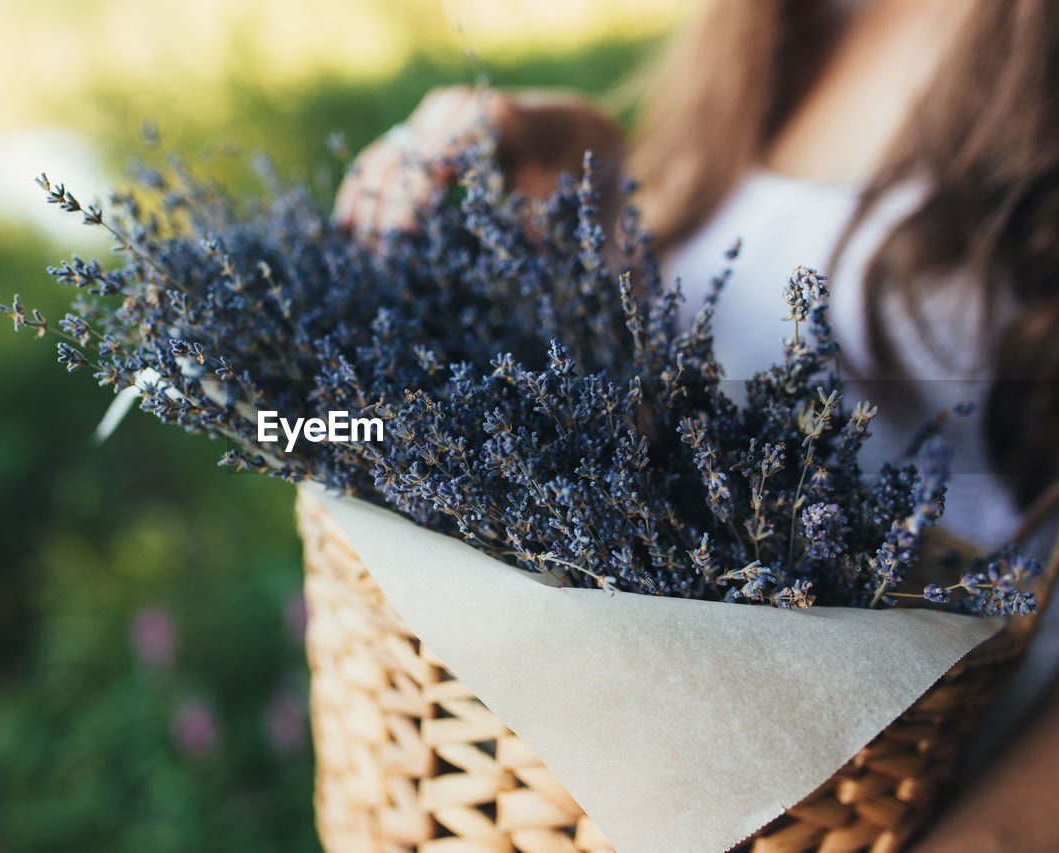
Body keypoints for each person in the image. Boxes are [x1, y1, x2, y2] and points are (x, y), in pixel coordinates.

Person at [333, 1, 1059, 849]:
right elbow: (683, 383)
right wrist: (595, 190)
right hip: (586, 780)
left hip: (910, 794)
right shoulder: (772, 27)